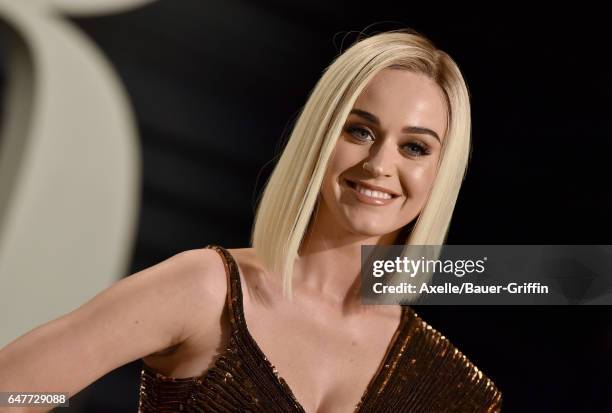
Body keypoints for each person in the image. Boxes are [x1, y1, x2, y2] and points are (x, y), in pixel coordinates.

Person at [0, 29, 502, 412]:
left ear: (441, 172)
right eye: (360, 131)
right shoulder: (204, 289)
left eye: (414, 147)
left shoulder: (451, 386)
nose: (379, 166)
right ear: (320, 137)